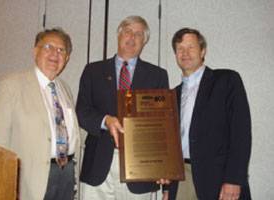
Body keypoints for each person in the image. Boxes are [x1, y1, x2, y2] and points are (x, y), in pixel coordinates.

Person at [76, 15, 169, 200]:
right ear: (119, 35)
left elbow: (163, 124)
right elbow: (82, 111)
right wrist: (105, 121)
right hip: (98, 166)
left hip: (141, 169)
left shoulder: (157, 75)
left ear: (144, 42)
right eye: (128, 32)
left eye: (139, 34)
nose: (132, 38)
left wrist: (163, 167)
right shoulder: (93, 71)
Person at [0, 28, 81, 200]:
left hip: (66, 173)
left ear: (66, 59)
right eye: (48, 47)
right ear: (35, 51)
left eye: (61, 50)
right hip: (30, 179)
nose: (55, 54)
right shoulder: (12, 85)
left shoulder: (65, 89)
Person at [164, 27, 252, 200]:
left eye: (191, 47)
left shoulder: (227, 81)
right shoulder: (171, 95)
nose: (185, 53)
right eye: (180, 49)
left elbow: (241, 134)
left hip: (219, 178)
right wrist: (167, 188)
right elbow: (168, 143)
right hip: (181, 178)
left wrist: (234, 179)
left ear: (203, 51)